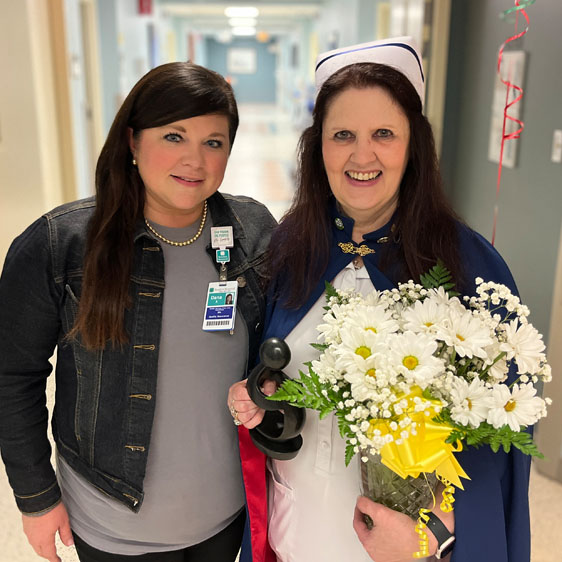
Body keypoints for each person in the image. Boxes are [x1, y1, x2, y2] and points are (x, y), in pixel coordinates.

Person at [228, 37, 531, 562]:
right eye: (342, 134)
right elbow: (268, 371)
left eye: (383, 134)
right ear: (316, 145)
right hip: (296, 535)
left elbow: (499, 443)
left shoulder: (471, 268)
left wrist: (435, 537)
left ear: (414, 144)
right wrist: (258, 394)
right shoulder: (290, 248)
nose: (361, 155)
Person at [0, 61, 276, 562]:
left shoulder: (251, 230)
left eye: (214, 143)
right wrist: (36, 499)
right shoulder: (61, 244)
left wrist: (267, 383)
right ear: (132, 141)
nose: (195, 160)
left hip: (225, 515)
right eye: (174, 136)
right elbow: (12, 377)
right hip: (114, 526)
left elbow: (278, 341)